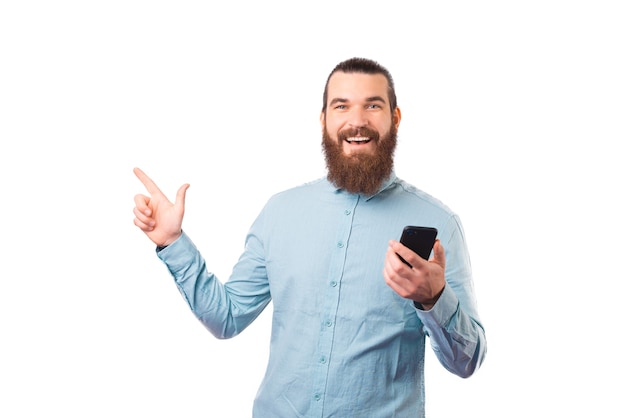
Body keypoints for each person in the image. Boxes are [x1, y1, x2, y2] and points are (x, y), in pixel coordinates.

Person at [132, 57, 486, 417]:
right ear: (324, 120)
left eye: (373, 105)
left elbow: (467, 362)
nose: (357, 120)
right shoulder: (279, 212)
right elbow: (227, 317)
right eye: (341, 106)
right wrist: (172, 242)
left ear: (395, 118)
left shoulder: (439, 224)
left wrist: (433, 299)